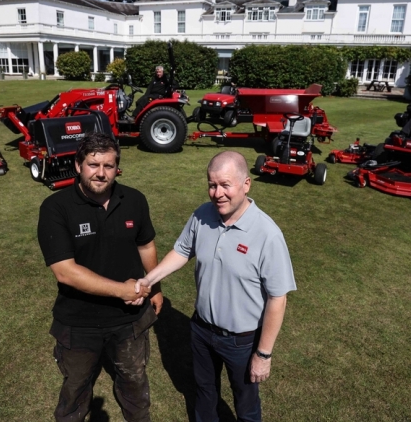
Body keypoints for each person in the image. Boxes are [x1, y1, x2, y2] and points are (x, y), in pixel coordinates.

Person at [134, 151, 296, 422]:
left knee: (246, 406)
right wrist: (149, 280)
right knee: (204, 394)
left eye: (225, 185)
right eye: (212, 185)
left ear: (246, 185)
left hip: (241, 341)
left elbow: (277, 299)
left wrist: (263, 354)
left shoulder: (268, 234)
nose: (217, 193)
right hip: (201, 331)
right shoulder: (202, 215)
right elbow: (182, 251)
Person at [37, 132, 163, 422]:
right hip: (79, 321)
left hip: (129, 319)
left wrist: (154, 287)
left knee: (135, 380)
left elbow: (146, 245)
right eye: (93, 164)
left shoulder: (134, 199)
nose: (101, 173)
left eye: (109, 166)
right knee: (76, 387)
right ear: (78, 165)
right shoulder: (56, 208)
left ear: (117, 167)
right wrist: (122, 290)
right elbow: (65, 271)